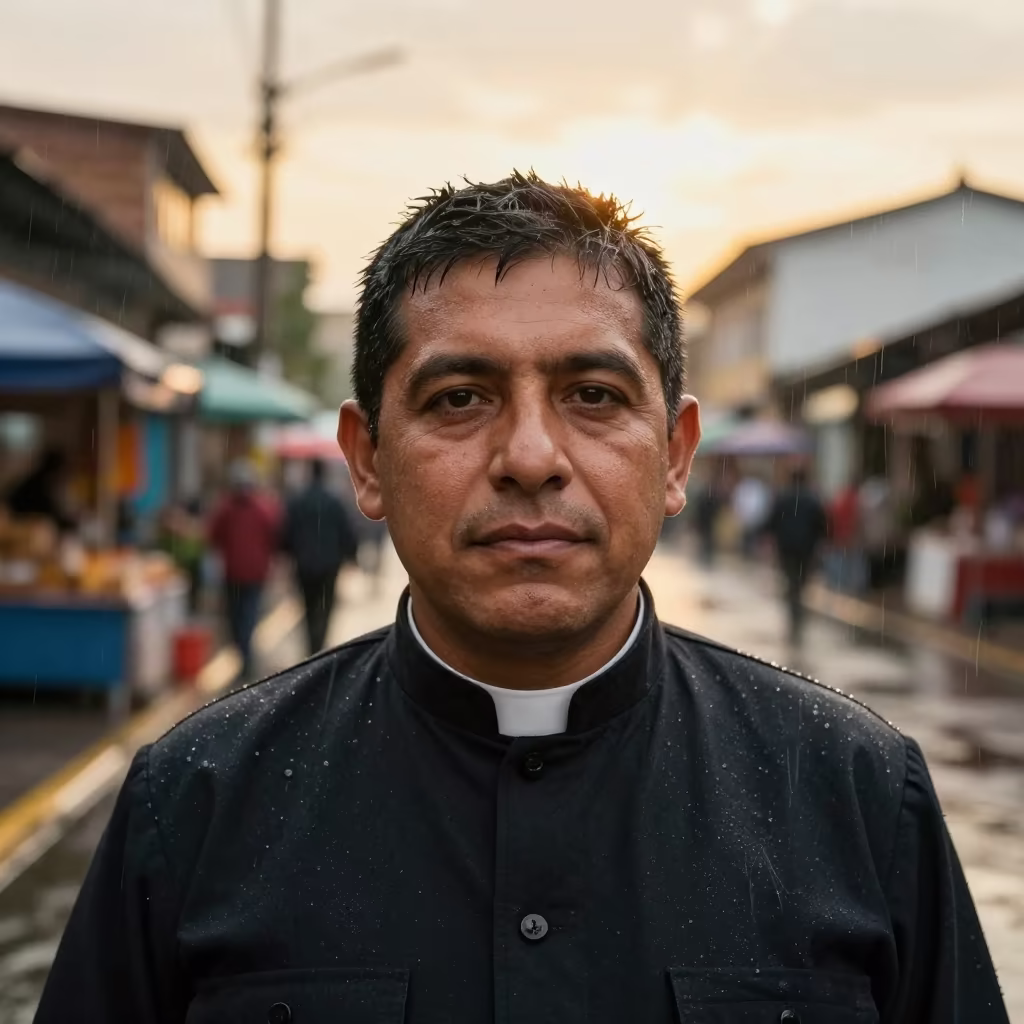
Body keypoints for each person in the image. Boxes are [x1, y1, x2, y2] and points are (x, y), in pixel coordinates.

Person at [37, 173, 1008, 1024]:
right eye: (460, 397)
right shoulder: (198, 803)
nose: (532, 459)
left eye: (592, 394)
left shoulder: (857, 794)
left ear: (674, 454)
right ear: (367, 459)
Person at [207, 459, 280, 680]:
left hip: (234, 574)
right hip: (255, 573)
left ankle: (244, 655)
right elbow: (274, 536)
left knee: (236, 616)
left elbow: (213, 536)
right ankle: (245, 655)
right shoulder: (263, 509)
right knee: (247, 614)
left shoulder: (226, 508)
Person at [283, 458, 361, 655]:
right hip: (329, 564)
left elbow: (287, 532)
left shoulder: (298, 501)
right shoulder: (334, 502)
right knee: (326, 607)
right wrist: (352, 556)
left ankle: (311, 645)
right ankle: (320, 644)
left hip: (304, 563)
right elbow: (347, 531)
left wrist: (287, 554)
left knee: (308, 606)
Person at [765, 465, 828, 648]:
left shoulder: (783, 498)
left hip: (787, 549)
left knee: (791, 582)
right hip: (805, 549)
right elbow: (822, 526)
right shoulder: (813, 500)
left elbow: (771, 522)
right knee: (800, 583)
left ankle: (794, 614)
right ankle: (797, 613)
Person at [3, 448, 75, 531]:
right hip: (15, 524)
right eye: (63, 470)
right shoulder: (40, 485)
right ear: (56, 470)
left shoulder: (37, 480)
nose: (65, 475)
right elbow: (50, 515)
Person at [730, 471, 771, 559]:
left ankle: (750, 552)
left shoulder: (757, 488)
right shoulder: (744, 487)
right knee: (747, 536)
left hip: (753, 518)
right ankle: (746, 552)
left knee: (752, 537)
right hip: (748, 518)